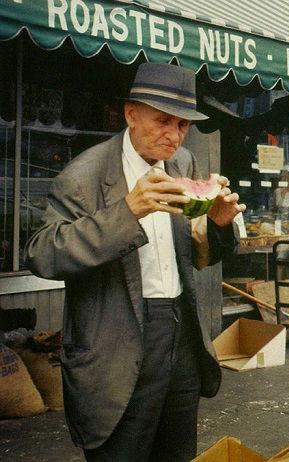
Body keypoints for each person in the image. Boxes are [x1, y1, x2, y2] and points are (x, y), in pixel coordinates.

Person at [25, 62, 244, 461]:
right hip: (115, 342)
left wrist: (219, 227)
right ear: (131, 113)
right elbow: (43, 253)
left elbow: (199, 256)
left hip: (179, 333)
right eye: (163, 121)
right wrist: (127, 212)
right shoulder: (84, 175)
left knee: (177, 452)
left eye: (182, 126)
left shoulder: (184, 165)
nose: (173, 135)